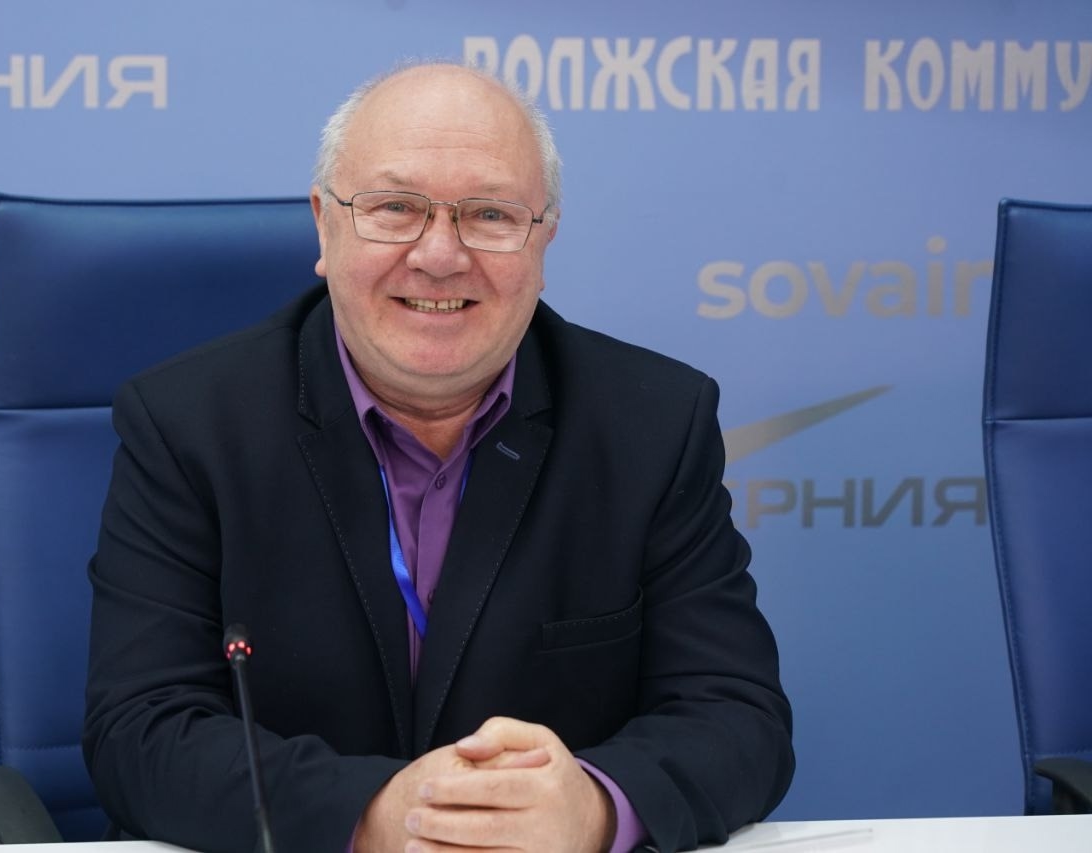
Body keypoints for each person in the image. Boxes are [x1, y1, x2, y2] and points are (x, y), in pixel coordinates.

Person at [83, 62, 793, 853]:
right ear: (324, 226)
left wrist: (594, 806)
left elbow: (737, 718)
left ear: (544, 238)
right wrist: (372, 814)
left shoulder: (653, 424)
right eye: (395, 208)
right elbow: (140, 730)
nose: (440, 254)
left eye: (489, 214)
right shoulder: (188, 423)